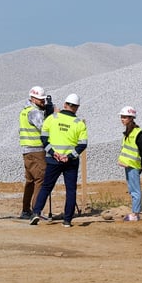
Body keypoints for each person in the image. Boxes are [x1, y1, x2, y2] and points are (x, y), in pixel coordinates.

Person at [30, 94, 88, 228]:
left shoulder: (51, 118)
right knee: (71, 190)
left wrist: (53, 153)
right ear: (77, 107)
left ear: (65, 104)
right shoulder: (79, 123)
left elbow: (44, 139)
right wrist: (69, 156)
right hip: (71, 162)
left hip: (53, 160)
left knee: (46, 187)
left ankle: (36, 212)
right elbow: (83, 144)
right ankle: (67, 220)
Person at [18, 86, 51, 219]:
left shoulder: (25, 111)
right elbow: (44, 127)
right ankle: (36, 211)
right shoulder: (34, 112)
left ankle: (26, 210)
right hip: (36, 150)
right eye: (40, 100)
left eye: (43, 100)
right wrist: (52, 116)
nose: (43, 102)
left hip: (27, 150)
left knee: (30, 181)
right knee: (40, 179)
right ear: (32, 99)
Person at [117, 106, 142, 222]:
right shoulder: (128, 132)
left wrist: (140, 164)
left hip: (133, 165)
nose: (122, 119)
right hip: (127, 165)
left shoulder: (137, 132)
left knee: (135, 190)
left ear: (131, 118)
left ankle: (135, 214)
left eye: (125, 117)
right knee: (132, 189)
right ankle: (135, 212)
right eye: (122, 117)